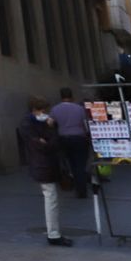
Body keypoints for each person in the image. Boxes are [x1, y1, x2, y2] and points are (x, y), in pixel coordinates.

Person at [16, 96, 72, 247]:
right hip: (42, 164)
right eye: (43, 110)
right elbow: (45, 145)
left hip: (46, 164)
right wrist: (50, 132)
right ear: (35, 110)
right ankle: (53, 233)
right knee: (51, 197)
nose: (45, 113)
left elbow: (49, 143)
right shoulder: (32, 124)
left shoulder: (34, 123)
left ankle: (54, 232)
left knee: (51, 197)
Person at [49, 87, 91, 199]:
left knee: (69, 163)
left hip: (64, 138)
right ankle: (82, 190)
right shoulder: (80, 109)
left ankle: (72, 183)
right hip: (79, 138)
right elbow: (86, 124)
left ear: (61, 97)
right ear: (72, 97)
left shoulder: (55, 109)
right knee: (80, 165)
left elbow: (50, 123)